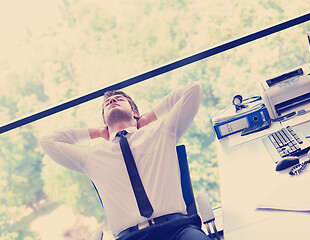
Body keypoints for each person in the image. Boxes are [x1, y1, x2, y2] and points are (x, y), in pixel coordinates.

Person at [40, 82, 211, 240]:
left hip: (178, 231)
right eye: (107, 103)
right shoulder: (91, 157)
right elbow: (48, 142)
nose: (112, 100)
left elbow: (193, 90)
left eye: (119, 99)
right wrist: (97, 132)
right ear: (105, 122)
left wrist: (149, 117)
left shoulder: (162, 132)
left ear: (135, 112)